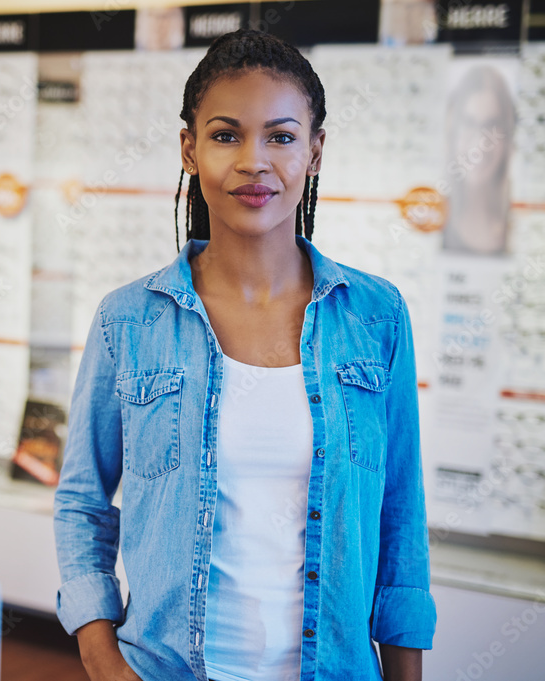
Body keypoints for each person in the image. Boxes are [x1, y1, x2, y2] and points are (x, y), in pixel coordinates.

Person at [54, 29, 435, 681]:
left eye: (281, 136)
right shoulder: (130, 319)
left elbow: (400, 515)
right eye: (227, 134)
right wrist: (102, 658)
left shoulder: (376, 316)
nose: (255, 160)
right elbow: (83, 501)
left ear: (314, 152)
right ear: (189, 148)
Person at [441, 64, 516, 256]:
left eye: (492, 126)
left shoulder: (523, 224)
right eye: (468, 123)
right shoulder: (432, 220)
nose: (479, 142)